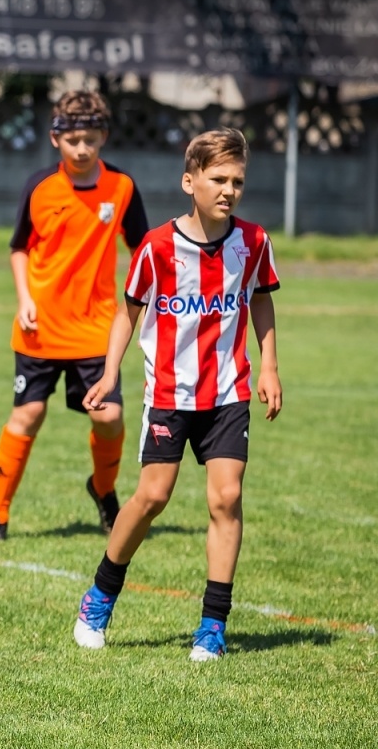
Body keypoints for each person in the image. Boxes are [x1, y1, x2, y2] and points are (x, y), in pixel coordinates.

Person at [73, 127, 281, 662]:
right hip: (169, 391)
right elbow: (130, 312)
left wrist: (270, 368)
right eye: (217, 179)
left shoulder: (254, 241)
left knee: (227, 498)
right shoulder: (158, 247)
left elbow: (260, 300)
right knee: (152, 498)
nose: (228, 190)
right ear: (190, 181)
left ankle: (212, 626)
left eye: (237, 180)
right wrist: (108, 373)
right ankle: (99, 596)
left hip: (229, 389)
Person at [0, 90, 149, 541]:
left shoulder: (122, 187)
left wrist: (144, 300)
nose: (82, 149)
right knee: (29, 413)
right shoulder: (39, 187)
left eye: (90, 140)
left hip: (96, 329)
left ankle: (103, 489)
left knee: (108, 418)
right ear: (55, 138)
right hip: (41, 328)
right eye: (73, 139)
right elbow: (19, 248)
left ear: (104, 138)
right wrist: (24, 299)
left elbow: (143, 250)